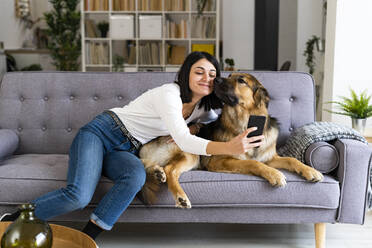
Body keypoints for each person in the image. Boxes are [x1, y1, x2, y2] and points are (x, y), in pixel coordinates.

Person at [0, 51, 264, 240]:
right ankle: (11, 220)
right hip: (101, 132)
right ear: (186, 73)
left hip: (127, 149)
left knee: (136, 176)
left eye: (212, 74)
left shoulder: (205, 109)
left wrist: (195, 127)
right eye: (199, 71)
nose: (206, 78)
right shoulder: (168, 94)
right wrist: (229, 148)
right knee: (79, 195)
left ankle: (86, 239)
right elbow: (184, 141)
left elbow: (212, 123)